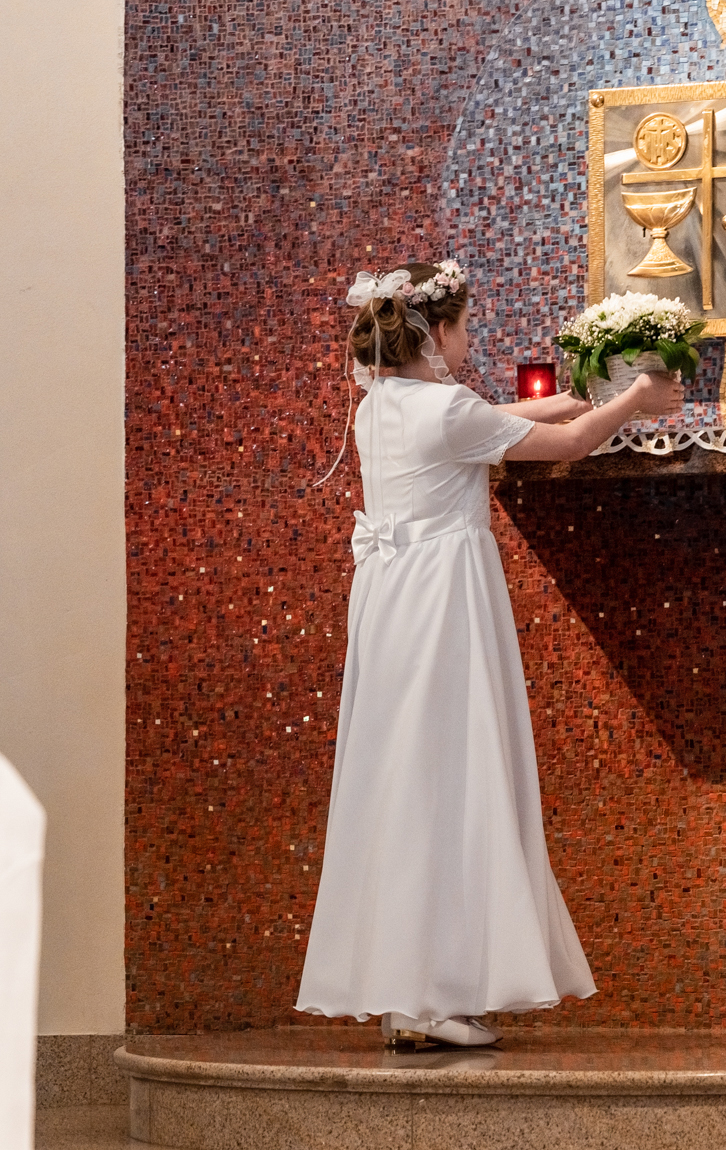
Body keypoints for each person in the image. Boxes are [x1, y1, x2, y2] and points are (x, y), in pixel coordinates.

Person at [294, 261, 686, 1047]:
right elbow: (564, 443)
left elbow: (490, 420)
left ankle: (409, 996)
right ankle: (436, 1000)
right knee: (454, 774)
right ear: (436, 334)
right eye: (465, 327)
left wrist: (582, 393)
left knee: (408, 779)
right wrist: (635, 400)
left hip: (392, 603)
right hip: (444, 602)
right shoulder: (446, 408)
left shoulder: (379, 406)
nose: (469, 340)